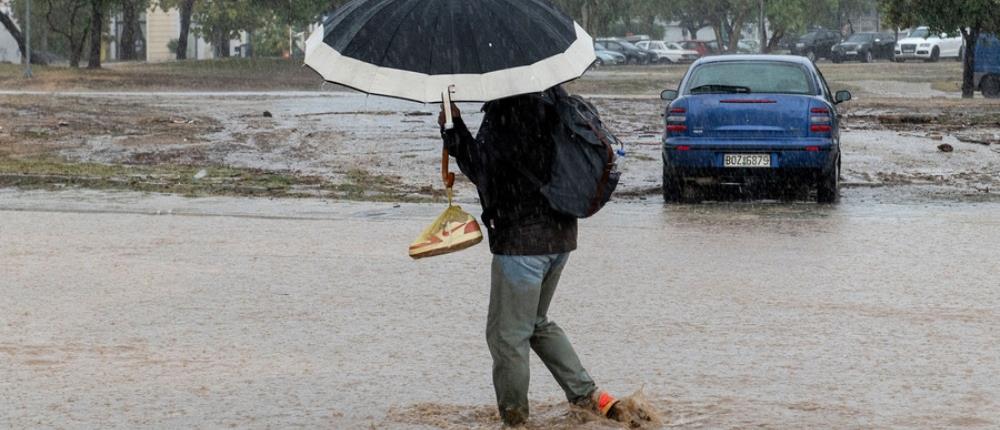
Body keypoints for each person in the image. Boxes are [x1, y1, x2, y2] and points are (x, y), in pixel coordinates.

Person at [438, 86, 622, 427]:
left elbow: (484, 171)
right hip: (561, 235)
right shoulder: (554, 99)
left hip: (524, 242)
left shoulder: (508, 112)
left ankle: (515, 422)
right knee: (535, 322)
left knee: (506, 337)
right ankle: (589, 397)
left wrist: (453, 129)